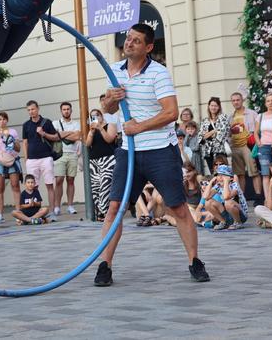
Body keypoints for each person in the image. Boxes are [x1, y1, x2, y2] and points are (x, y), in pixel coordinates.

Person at [95, 23, 210, 286]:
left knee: (179, 208)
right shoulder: (115, 70)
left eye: (136, 40)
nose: (129, 43)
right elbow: (107, 108)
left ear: (148, 47)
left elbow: (171, 113)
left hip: (159, 150)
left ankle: (194, 261)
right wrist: (111, 99)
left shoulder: (159, 73)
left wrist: (139, 126)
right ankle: (105, 265)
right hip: (128, 152)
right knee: (115, 208)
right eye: (128, 38)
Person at [21, 100, 59, 220]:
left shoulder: (46, 122)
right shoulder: (26, 125)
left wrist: (43, 133)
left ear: (38, 109)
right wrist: (26, 158)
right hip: (32, 160)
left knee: (49, 185)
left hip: (46, 158)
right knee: (33, 187)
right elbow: (25, 142)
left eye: (33, 109)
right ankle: (36, 213)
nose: (31, 112)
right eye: (29, 110)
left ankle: (52, 211)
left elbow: (56, 137)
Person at [228, 92, 263, 204]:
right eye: (233, 100)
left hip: (248, 145)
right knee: (239, 174)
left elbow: (259, 130)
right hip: (235, 146)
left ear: (242, 100)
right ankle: (242, 197)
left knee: (254, 171)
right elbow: (228, 133)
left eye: (237, 100)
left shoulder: (252, 114)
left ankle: (258, 196)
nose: (235, 102)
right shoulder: (230, 117)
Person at [0, 111, 22, 223]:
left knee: (15, 185)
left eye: (4, 119)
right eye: (0, 119)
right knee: (0, 188)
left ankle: (18, 212)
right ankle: (0, 215)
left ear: (7, 120)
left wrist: (10, 138)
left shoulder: (13, 131)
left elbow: (18, 148)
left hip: (12, 159)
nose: (2, 121)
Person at [85, 108, 118, 221]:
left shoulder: (110, 125)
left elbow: (109, 139)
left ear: (101, 116)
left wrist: (100, 128)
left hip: (108, 159)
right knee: (96, 187)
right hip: (94, 161)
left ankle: (105, 212)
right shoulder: (92, 129)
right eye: (92, 116)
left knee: (105, 185)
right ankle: (101, 212)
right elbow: (87, 144)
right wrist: (92, 132)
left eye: (97, 115)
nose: (95, 118)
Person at [52, 102, 81, 215]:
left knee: (71, 180)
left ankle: (70, 205)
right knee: (59, 180)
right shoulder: (55, 123)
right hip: (60, 154)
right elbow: (55, 136)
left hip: (73, 154)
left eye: (68, 109)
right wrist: (69, 133)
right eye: (64, 109)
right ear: (61, 111)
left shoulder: (76, 123)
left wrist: (62, 134)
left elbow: (77, 136)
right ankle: (57, 206)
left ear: (71, 110)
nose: (66, 111)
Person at [204, 164, 248, 230]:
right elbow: (206, 197)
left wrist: (226, 182)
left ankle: (238, 222)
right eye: (218, 175)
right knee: (208, 202)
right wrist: (210, 183)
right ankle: (223, 222)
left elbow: (226, 197)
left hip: (241, 215)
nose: (220, 177)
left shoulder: (234, 185)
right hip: (228, 214)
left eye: (223, 175)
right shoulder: (218, 186)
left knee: (228, 202)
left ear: (230, 178)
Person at [254, 93, 272, 199]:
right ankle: (268, 198)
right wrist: (258, 142)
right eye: (268, 101)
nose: (270, 103)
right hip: (263, 147)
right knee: (265, 173)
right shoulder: (260, 116)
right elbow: (255, 132)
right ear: (265, 103)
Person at [198, 97, 230, 175]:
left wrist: (207, 135)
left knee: (223, 173)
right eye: (212, 105)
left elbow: (222, 135)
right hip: (208, 152)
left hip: (219, 151)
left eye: (215, 105)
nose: (213, 107)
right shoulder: (205, 121)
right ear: (209, 106)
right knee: (214, 174)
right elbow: (201, 137)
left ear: (219, 107)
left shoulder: (223, 118)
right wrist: (213, 131)